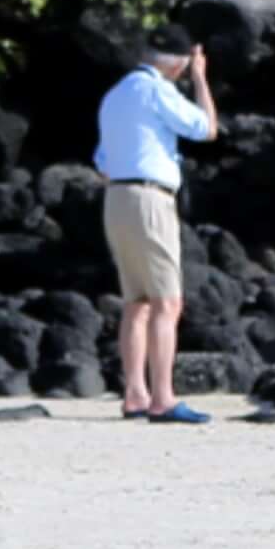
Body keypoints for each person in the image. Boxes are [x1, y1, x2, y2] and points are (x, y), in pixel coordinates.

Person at [94, 27, 220, 424]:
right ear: (178, 61)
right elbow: (205, 128)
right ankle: (162, 398)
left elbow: (101, 161)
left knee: (137, 302)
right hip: (150, 197)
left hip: (117, 197)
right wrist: (200, 78)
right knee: (167, 302)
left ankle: (135, 394)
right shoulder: (157, 90)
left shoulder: (115, 95)